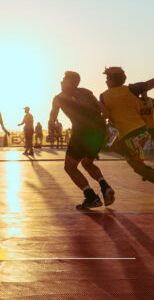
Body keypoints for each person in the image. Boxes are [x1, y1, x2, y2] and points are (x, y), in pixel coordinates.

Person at [100, 67, 154, 203]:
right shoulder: (132, 88)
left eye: (107, 79)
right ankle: (145, 167)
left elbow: (105, 114)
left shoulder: (103, 96)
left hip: (130, 135)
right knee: (114, 147)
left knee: (138, 169)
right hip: (141, 131)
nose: (106, 81)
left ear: (112, 80)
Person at [49, 71, 115, 209]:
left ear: (69, 82)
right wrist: (97, 124)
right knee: (87, 163)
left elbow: (52, 119)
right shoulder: (86, 92)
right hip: (99, 132)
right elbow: (106, 112)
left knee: (70, 167)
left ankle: (91, 197)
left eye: (63, 79)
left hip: (81, 133)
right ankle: (105, 187)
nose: (61, 81)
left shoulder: (59, 98)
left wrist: (52, 132)